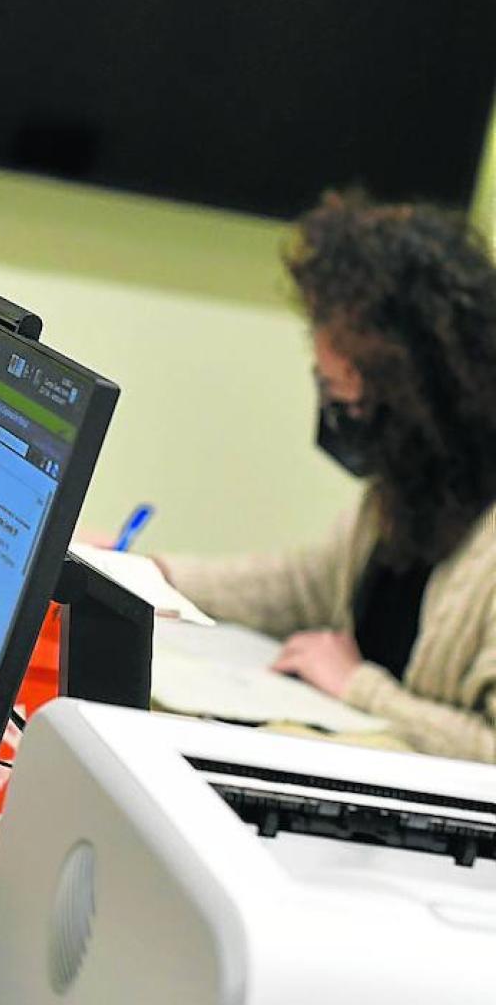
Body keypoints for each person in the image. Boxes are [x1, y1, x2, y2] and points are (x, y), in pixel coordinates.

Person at [158, 191, 496, 763]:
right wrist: (153, 576)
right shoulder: (406, 490)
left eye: (350, 398)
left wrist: (361, 688)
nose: (338, 416)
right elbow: (305, 586)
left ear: (421, 392)